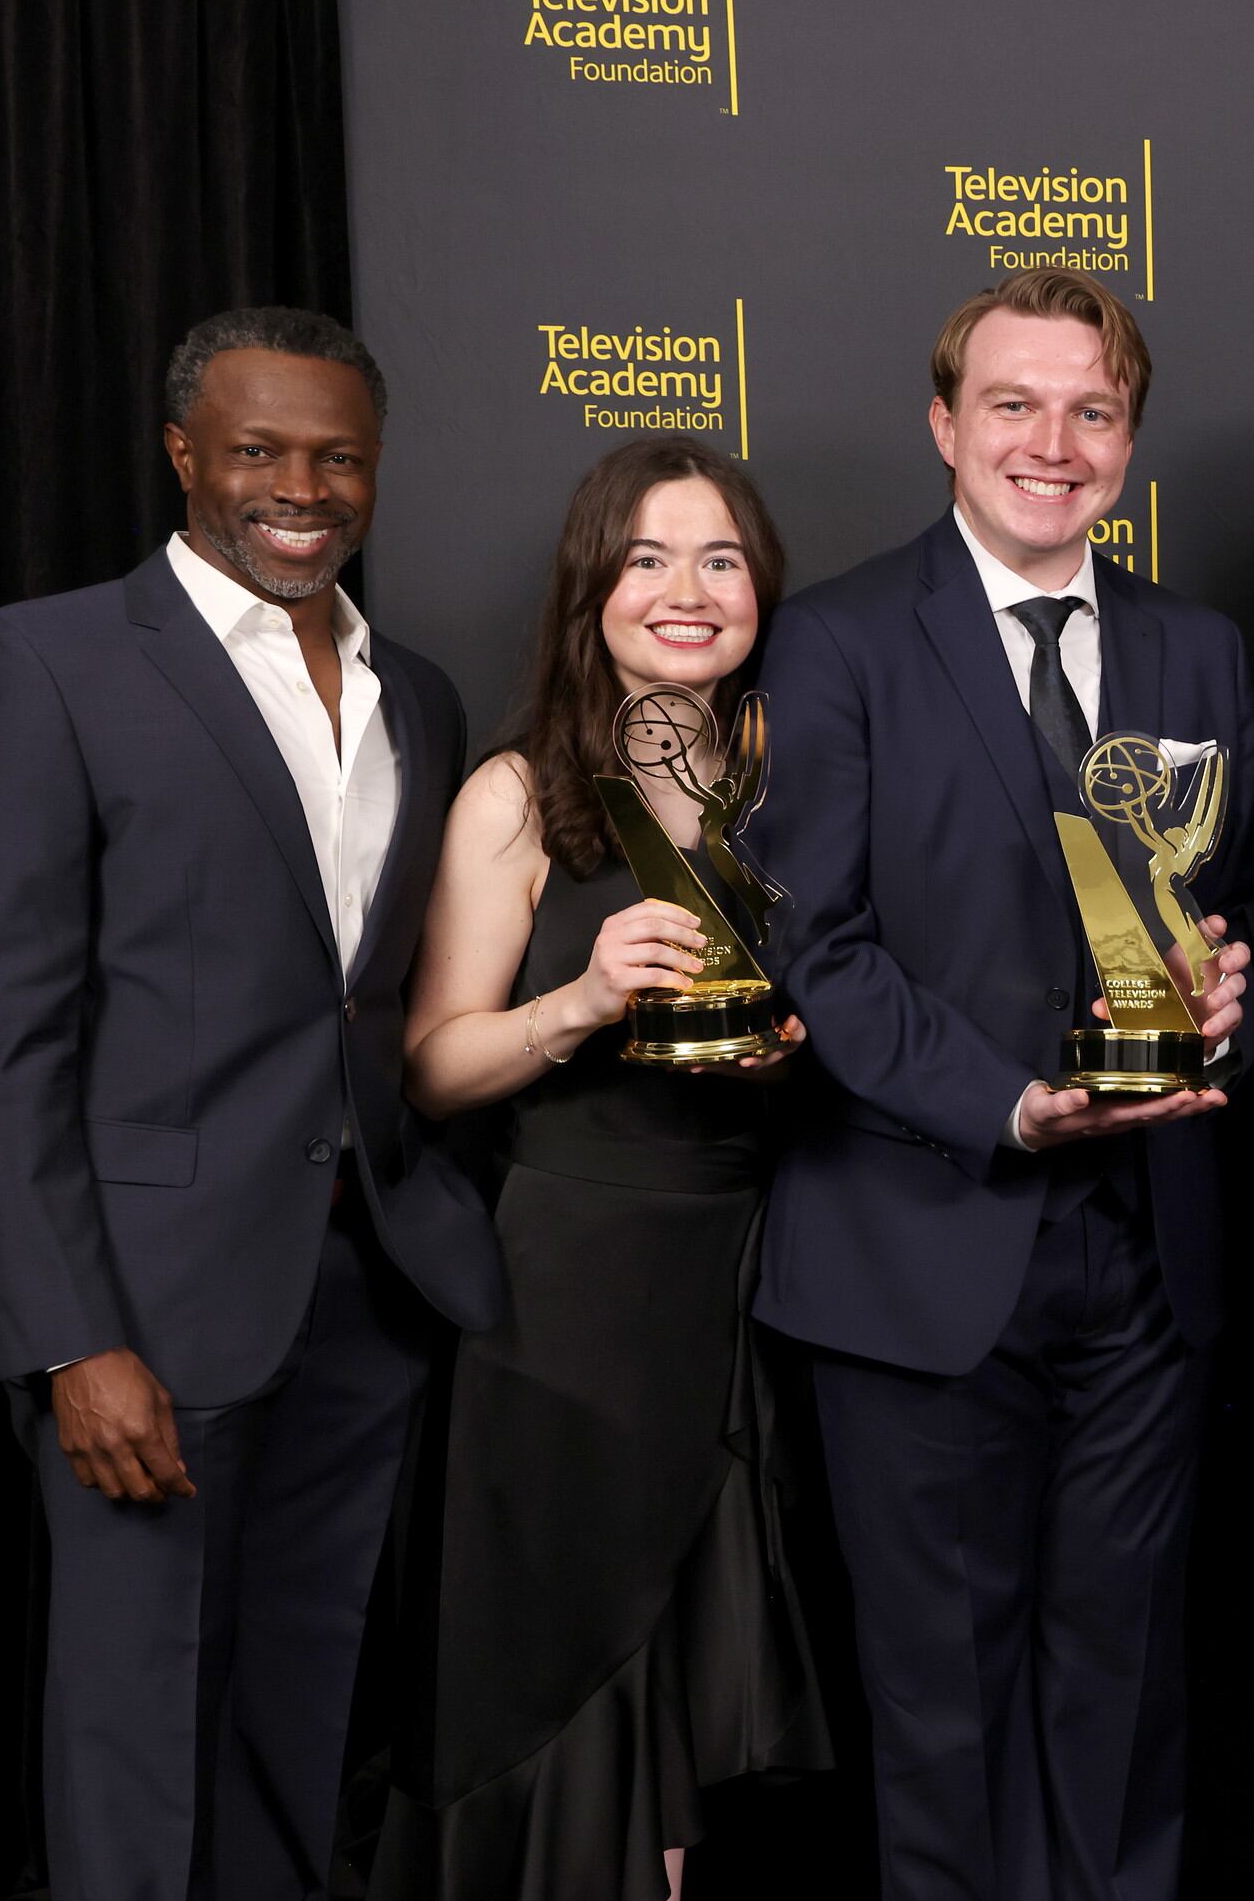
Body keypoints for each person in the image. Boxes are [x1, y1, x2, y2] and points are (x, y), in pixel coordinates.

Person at [0, 308, 504, 1900]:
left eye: (336, 455)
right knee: (136, 1736)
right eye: (257, 450)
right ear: (185, 455)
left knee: (300, 1719)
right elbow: (1, 1034)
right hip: (146, 1312)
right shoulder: (44, 663)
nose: (298, 485)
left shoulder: (424, 699)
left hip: (361, 1287)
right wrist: (67, 1337)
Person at [747, 267, 1254, 1901]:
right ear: (945, 425)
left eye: (1093, 409)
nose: (1055, 442)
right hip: (920, 1238)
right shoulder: (834, 640)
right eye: (1016, 405)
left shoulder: (1201, 645)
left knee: (1123, 1690)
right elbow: (812, 946)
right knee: (941, 1709)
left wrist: (1223, 1001)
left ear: (1130, 439)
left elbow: (1203, 923)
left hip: (1146, 1258)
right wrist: (1009, 1102)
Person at [372, 436, 834, 1900]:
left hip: (752, 1277)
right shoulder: (523, 793)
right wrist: (579, 1001)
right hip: (568, 1288)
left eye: (719, 559)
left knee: (697, 1676)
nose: (686, 592)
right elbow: (434, 1061)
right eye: (647, 559)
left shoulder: (798, 783)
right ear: (593, 588)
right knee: (571, 1663)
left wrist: (789, 1048)